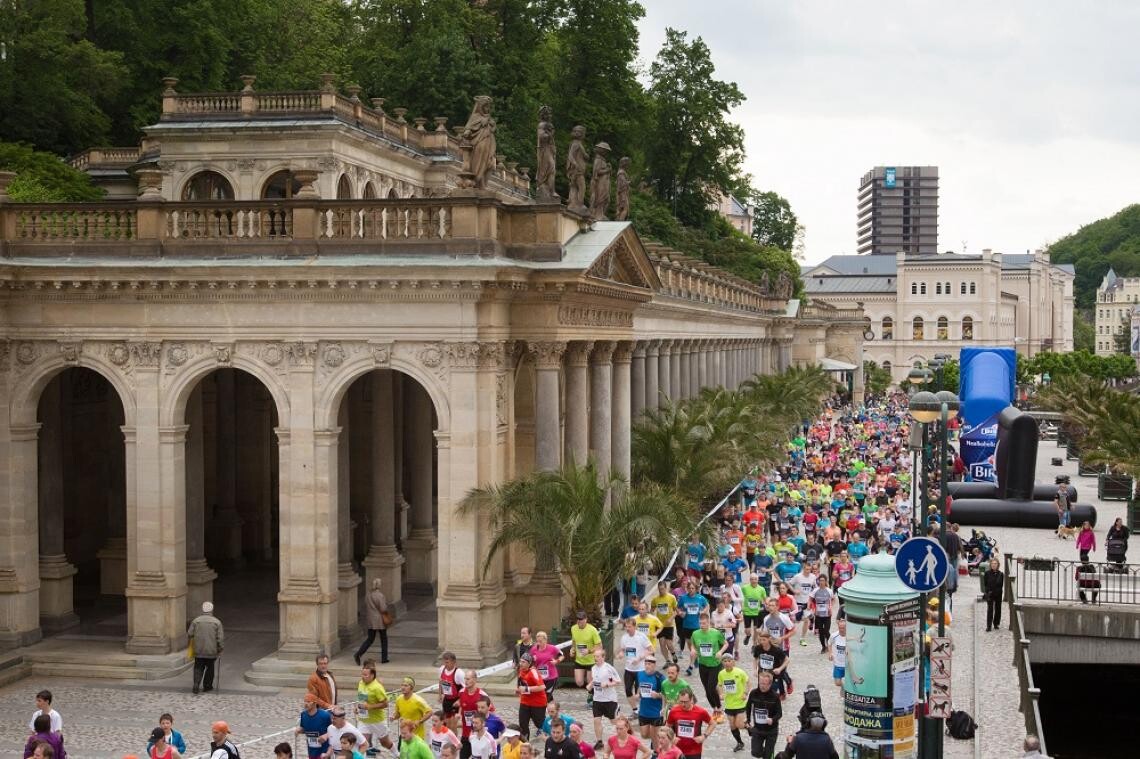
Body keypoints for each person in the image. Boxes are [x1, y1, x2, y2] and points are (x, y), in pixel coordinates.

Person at [688, 613, 727, 712]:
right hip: (702, 664)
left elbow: (726, 644)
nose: (702, 625)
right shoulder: (695, 633)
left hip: (715, 664)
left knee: (711, 688)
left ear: (709, 622)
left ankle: (719, 707)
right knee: (707, 689)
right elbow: (693, 644)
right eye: (700, 623)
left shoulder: (716, 633)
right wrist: (692, 649)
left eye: (704, 623)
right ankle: (714, 709)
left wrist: (720, 652)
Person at [587, 646, 622, 750]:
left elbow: (617, 681)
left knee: (614, 721)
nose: (595, 658)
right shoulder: (593, 668)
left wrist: (607, 684)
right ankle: (599, 741)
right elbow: (596, 679)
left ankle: (625, 735)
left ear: (603, 657)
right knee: (596, 720)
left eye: (597, 656)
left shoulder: (608, 668)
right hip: (597, 699)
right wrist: (590, 685)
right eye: (594, 656)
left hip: (609, 699)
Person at [665, 687, 714, 759]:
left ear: (691, 700)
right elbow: (667, 727)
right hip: (678, 750)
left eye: (685, 702)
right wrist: (671, 738)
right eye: (681, 701)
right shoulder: (674, 711)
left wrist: (704, 736)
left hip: (694, 751)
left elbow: (712, 723)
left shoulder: (700, 712)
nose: (683, 704)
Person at [355, 661, 393, 753]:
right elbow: (361, 698)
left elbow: (385, 704)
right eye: (362, 674)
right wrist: (357, 707)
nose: (363, 677)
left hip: (377, 720)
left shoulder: (377, 687)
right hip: (363, 720)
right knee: (362, 744)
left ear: (372, 675)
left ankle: (397, 754)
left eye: (365, 675)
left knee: (385, 743)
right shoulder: (360, 683)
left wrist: (370, 707)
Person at [188, 602, 224, 694]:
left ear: (202, 609)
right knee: (210, 668)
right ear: (211, 610)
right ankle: (207, 686)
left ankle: (196, 684)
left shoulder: (196, 621)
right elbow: (220, 638)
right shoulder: (217, 622)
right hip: (211, 650)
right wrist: (220, 648)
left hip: (198, 649)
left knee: (198, 667)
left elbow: (190, 633)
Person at [717, 653, 750, 752]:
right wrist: (721, 694)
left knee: (739, 724)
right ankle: (740, 743)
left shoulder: (740, 672)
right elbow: (719, 685)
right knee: (732, 725)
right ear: (722, 663)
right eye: (725, 661)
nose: (727, 663)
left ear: (733, 662)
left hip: (740, 702)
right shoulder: (721, 674)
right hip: (729, 704)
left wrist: (745, 693)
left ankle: (749, 728)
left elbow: (748, 683)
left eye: (729, 661)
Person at [744, 670, 782, 759]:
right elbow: (748, 706)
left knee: (767, 756)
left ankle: (769, 753)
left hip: (771, 730)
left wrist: (772, 720)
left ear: (770, 684)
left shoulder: (775, 696)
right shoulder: (754, 693)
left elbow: (779, 713)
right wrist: (748, 720)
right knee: (755, 753)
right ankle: (767, 752)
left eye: (765, 684)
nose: (762, 686)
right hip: (758, 729)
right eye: (761, 683)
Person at [619, 617, 653, 709]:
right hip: (628, 669)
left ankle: (641, 709)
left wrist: (639, 658)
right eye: (626, 627)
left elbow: (651, 650)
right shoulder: (624, 637)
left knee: (639, 693)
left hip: (640, 669)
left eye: (629, 627)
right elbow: (622, 649)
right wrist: (621, 653)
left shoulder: (641, 637)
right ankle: (635, 710)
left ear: (634, 627)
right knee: (627, 690)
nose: (627, 629)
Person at [355, 578, 390, 665]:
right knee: (384, 639)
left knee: (370, 639)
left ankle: (358, 653)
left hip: (371, 619)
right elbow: (383, 608)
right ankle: (384, 658)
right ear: (379, 585)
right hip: (379, 620)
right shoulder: (380, 595)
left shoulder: (368, 595)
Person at [516, 654, 549, 741]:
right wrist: (518, 690)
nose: (521, 663)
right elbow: (521, 683)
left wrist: (526, 689)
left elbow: (542, 687)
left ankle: (552, 737)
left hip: (537, 703)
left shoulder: (533, 671)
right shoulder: (520, 670)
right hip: (525, 702)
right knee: (523, 724)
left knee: (539, 724)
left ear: (529, 663)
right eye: (520, 661)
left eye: (523, 662)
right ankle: (525, 744)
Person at [635, 655, 666, 742]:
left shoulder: (660, 677)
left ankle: (657, 744)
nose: (647, 666)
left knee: (655, 736)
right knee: (644, 735)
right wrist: (637, 694)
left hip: (656, 712)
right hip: (643, 711)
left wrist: (658, 695)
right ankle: (656, 738)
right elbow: (639, 686)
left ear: (654, 665)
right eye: (645, 664)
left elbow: (666, 695)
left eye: (649, 664)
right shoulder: (640, 674)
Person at [571, 611, 603, 689]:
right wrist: (572, 649)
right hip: (579, 660)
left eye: (581, 619)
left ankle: (592, 694)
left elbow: (599, 646)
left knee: (590, 682)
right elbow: (574, 641)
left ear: (586, 619)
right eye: (578, 619)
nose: (579, 621)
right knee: (579, 682)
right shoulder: (573, 628)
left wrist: (588, 651)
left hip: (591, 661)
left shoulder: (592, 630)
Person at [297, 693, 333, 759]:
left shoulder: (325, 715)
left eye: (308, 702)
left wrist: (326, 735)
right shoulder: (303, 715)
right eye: (305, 701)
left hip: (324, 752)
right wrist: (299, 730)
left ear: (315, 703)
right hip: (311, 751)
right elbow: (305, 729)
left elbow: (333, 730)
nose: (305, 704)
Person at [651, 581, 679, 663]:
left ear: (666, 588)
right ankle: (667, 661)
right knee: (662, 643)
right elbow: (652, 610)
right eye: (659, 589)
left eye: (662, 589)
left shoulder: (672, 598)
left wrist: (671, 618)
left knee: (669, 643)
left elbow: (676, 611)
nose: (661, 591)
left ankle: (673, 653)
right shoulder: (655, 599)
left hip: (669, 625)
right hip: (659, 625)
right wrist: (653, 618)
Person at [530, 631, 564, 698]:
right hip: (540, 677)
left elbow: (562, 656)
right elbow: (530, 661)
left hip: (551, 677)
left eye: (540, 641)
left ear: (545, 640)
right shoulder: (534, 649)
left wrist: (556, 661)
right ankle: (552, 704)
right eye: (537, 641)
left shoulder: (552, 648)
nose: (538, 643)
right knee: (544, 696)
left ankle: (546, 704)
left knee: (546, 695)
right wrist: (532, 662)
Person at [806, 577, 834, 654]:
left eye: (823, 580)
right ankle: (823, 647)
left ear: (825, 581)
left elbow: (833, 599)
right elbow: (810, 599)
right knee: (821, 632)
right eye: (820, 580)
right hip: (818, 615)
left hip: (827, 615)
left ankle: (830, 644)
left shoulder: (829, 591)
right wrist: (809, 606)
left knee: (826, 631)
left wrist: (830, 608)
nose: (821, 582)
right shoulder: (815, 590)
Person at [740, 574, 768, 647]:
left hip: (757, 613)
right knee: (747, 630)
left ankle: (754, 645)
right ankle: (748, 635)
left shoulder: (761, 589)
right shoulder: (744, 588)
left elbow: (765, 600)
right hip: (747, 612)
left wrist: (767, 607)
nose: (754, 581)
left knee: (756, 630)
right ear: (750, 580)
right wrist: (741, 606)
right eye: (752, 579)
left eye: (755, 579)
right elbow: (740, 597)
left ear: (758, 580)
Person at [438, 651, 466, 725]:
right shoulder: (442, 669)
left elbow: (466, 689)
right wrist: (440, 694)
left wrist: (459, 701)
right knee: (445, 723)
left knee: (453, 725)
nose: (445, 664)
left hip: (455, 701)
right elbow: (440, 681)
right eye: (444, 662)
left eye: (447, 662)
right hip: (446, 699)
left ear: (454, 662)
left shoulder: (459, 673)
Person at [982, 558, 1004, 631]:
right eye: (992, 564)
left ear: (998, 565)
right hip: (990, 593)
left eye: (995, 564)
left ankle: (996, 623)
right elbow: (985, 584)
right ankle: (989, 626)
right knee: (990, 610)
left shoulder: (1001, 574)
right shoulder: (987, 573)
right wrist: (987, 592)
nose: (994, 565)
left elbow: (1001, 585)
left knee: (998, 609)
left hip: (998, 594)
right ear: (990, 565)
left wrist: (998, 591)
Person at [827, 618, 846, 689]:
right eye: (840, 628)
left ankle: (847, 692)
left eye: (843, 628)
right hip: (838, 663)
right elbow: (829, 643)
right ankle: (844, 688)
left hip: (848, 665)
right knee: (837, 683)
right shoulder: (834, 635)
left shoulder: (850, 636)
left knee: (850, 682)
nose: (841, 629)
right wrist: (830, 653)